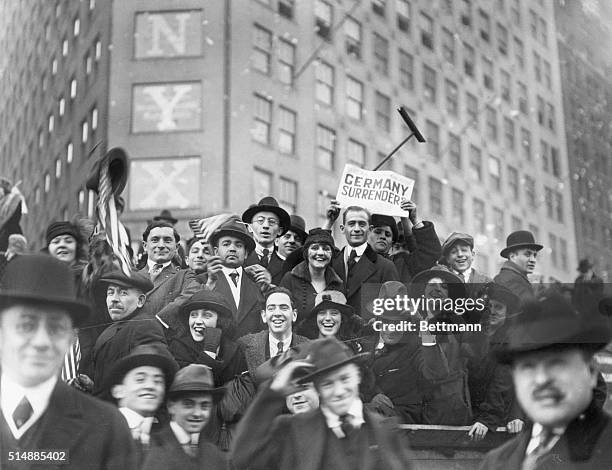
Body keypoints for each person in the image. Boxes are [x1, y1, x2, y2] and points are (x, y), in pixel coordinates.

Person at [0, 254, 137, 469]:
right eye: (26, 325)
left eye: (56, 328)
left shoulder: (107, 426)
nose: (41, 341)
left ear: (70, 338)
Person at [231, 336, 414, 470]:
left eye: (344, 378)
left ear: (357, 375)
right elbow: (242, 459)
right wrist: (273, 393)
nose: (339, 391)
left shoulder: (383, 430)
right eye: (328, 383)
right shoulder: (291, 430)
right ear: (318, 388)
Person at [479, 294, 612, 469]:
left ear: (592, 372)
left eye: (557, 364)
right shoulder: (496, 462)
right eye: (528, 367)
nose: (541, 379)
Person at [360, 281, 451, 423]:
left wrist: (428, 338)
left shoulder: (415, 348)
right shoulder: (368, 344)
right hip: (374, 413)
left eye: (397, 323)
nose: (390, 330)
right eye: (385, 322)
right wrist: (373, 395)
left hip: (403, 418)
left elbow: (438, 373)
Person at [90, 269, 174, 398]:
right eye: (110, 293)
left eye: (123, 293)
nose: (114, 299)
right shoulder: (111, 329)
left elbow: (163, 376)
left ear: (140, 300)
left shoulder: (145, 326)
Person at [411, 266, 474, 425]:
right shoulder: (414, 328)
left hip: (456, 409)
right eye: (431, 286)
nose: (437, 290)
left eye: (443, 287)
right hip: (426, 411)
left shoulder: (459, 328)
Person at [142, 364, 228, 470]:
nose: (197, 413)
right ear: (171, 406)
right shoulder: (149, 448)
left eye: (204, 406)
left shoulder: (215, 456)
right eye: (188, 404)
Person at [467, 284, 523, 441]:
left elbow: (501, 383)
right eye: (488, 306)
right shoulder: (473, 334)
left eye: (498, 307)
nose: (491, 311)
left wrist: (487, 419)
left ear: (507, 313)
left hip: (496, 412)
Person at [109, 344, 178, 466]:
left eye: (158, 381)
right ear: (119, 390)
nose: (150, 386)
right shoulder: (99, 431)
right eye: (140, 379)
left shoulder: (169, 440)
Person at [327, 204, 399, 316]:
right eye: (351, 224)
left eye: (362, 224)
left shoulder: (385, 267)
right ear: (342, 228)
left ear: (369, 229)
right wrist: (328, 223)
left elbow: (393, 313)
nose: (356, 229)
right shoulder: (332, 261)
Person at [168, 289, 248, 386]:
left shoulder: (235, 351)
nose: (198, 321)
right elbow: (191, 386)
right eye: (193, 315)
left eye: (206, 315)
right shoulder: (177, 347)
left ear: (220, 321)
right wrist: (209, 352)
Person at [206, 217, 267, 339]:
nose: (232, 249)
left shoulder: (257, 284)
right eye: (226, 244)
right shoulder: (203, 281)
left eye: (238, 245)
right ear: (216, 252)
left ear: (245, 254)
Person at [137, 221, 200, 328]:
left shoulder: (185, 276)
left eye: (167, 240)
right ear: (145, 246)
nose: (161, 245)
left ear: (176, 247)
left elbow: (189, 297)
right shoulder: (132, 276)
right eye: (155, 240)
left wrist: (158, 322)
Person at [238, 287, 309, 377]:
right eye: (271, 308)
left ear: (294, 315)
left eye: (283, 308)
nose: (277, 313)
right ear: (264, 315)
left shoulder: (308, 348)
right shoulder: (244, 345)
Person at [368, 200, 442, 285]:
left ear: (392, 242)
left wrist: (413, 219)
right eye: (378, 232)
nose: (383, 236)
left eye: (388, 234)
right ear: (368, 233)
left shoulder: (402, 264)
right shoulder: (354, 260)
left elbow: (431, 251)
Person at [280, 228, 344, 323]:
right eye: (315, 248)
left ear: (332, 254)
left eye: (326, 249)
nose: (320, 253)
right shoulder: (290, 279)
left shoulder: (338, 284)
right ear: (306, 253)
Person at [242, 196, 291, 285]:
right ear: (250, 227)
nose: (266, 226)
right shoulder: (239, 259)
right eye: (260, 220)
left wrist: (270, 285)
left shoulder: (287, 266)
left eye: (272, 222)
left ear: (279, 231)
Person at [440, 232, 492, 303]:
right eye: (454, 252)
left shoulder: (487, 282)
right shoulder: (440, 283)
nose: (460, 254)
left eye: (464, 250)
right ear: (448, 259)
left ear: (473, 255)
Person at [494, 230, 543, 305]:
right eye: (527, 254)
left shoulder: (510, 277)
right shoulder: (511, 281)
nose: (533, 260)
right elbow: (526, 312)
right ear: (513, 257)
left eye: (534, 255)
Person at [297, 290, 361, 342]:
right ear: (315, 318)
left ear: (342, 318)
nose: (327, 318)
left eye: (334, 313)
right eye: (322, 313)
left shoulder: (353, 348)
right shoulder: (304, 347)